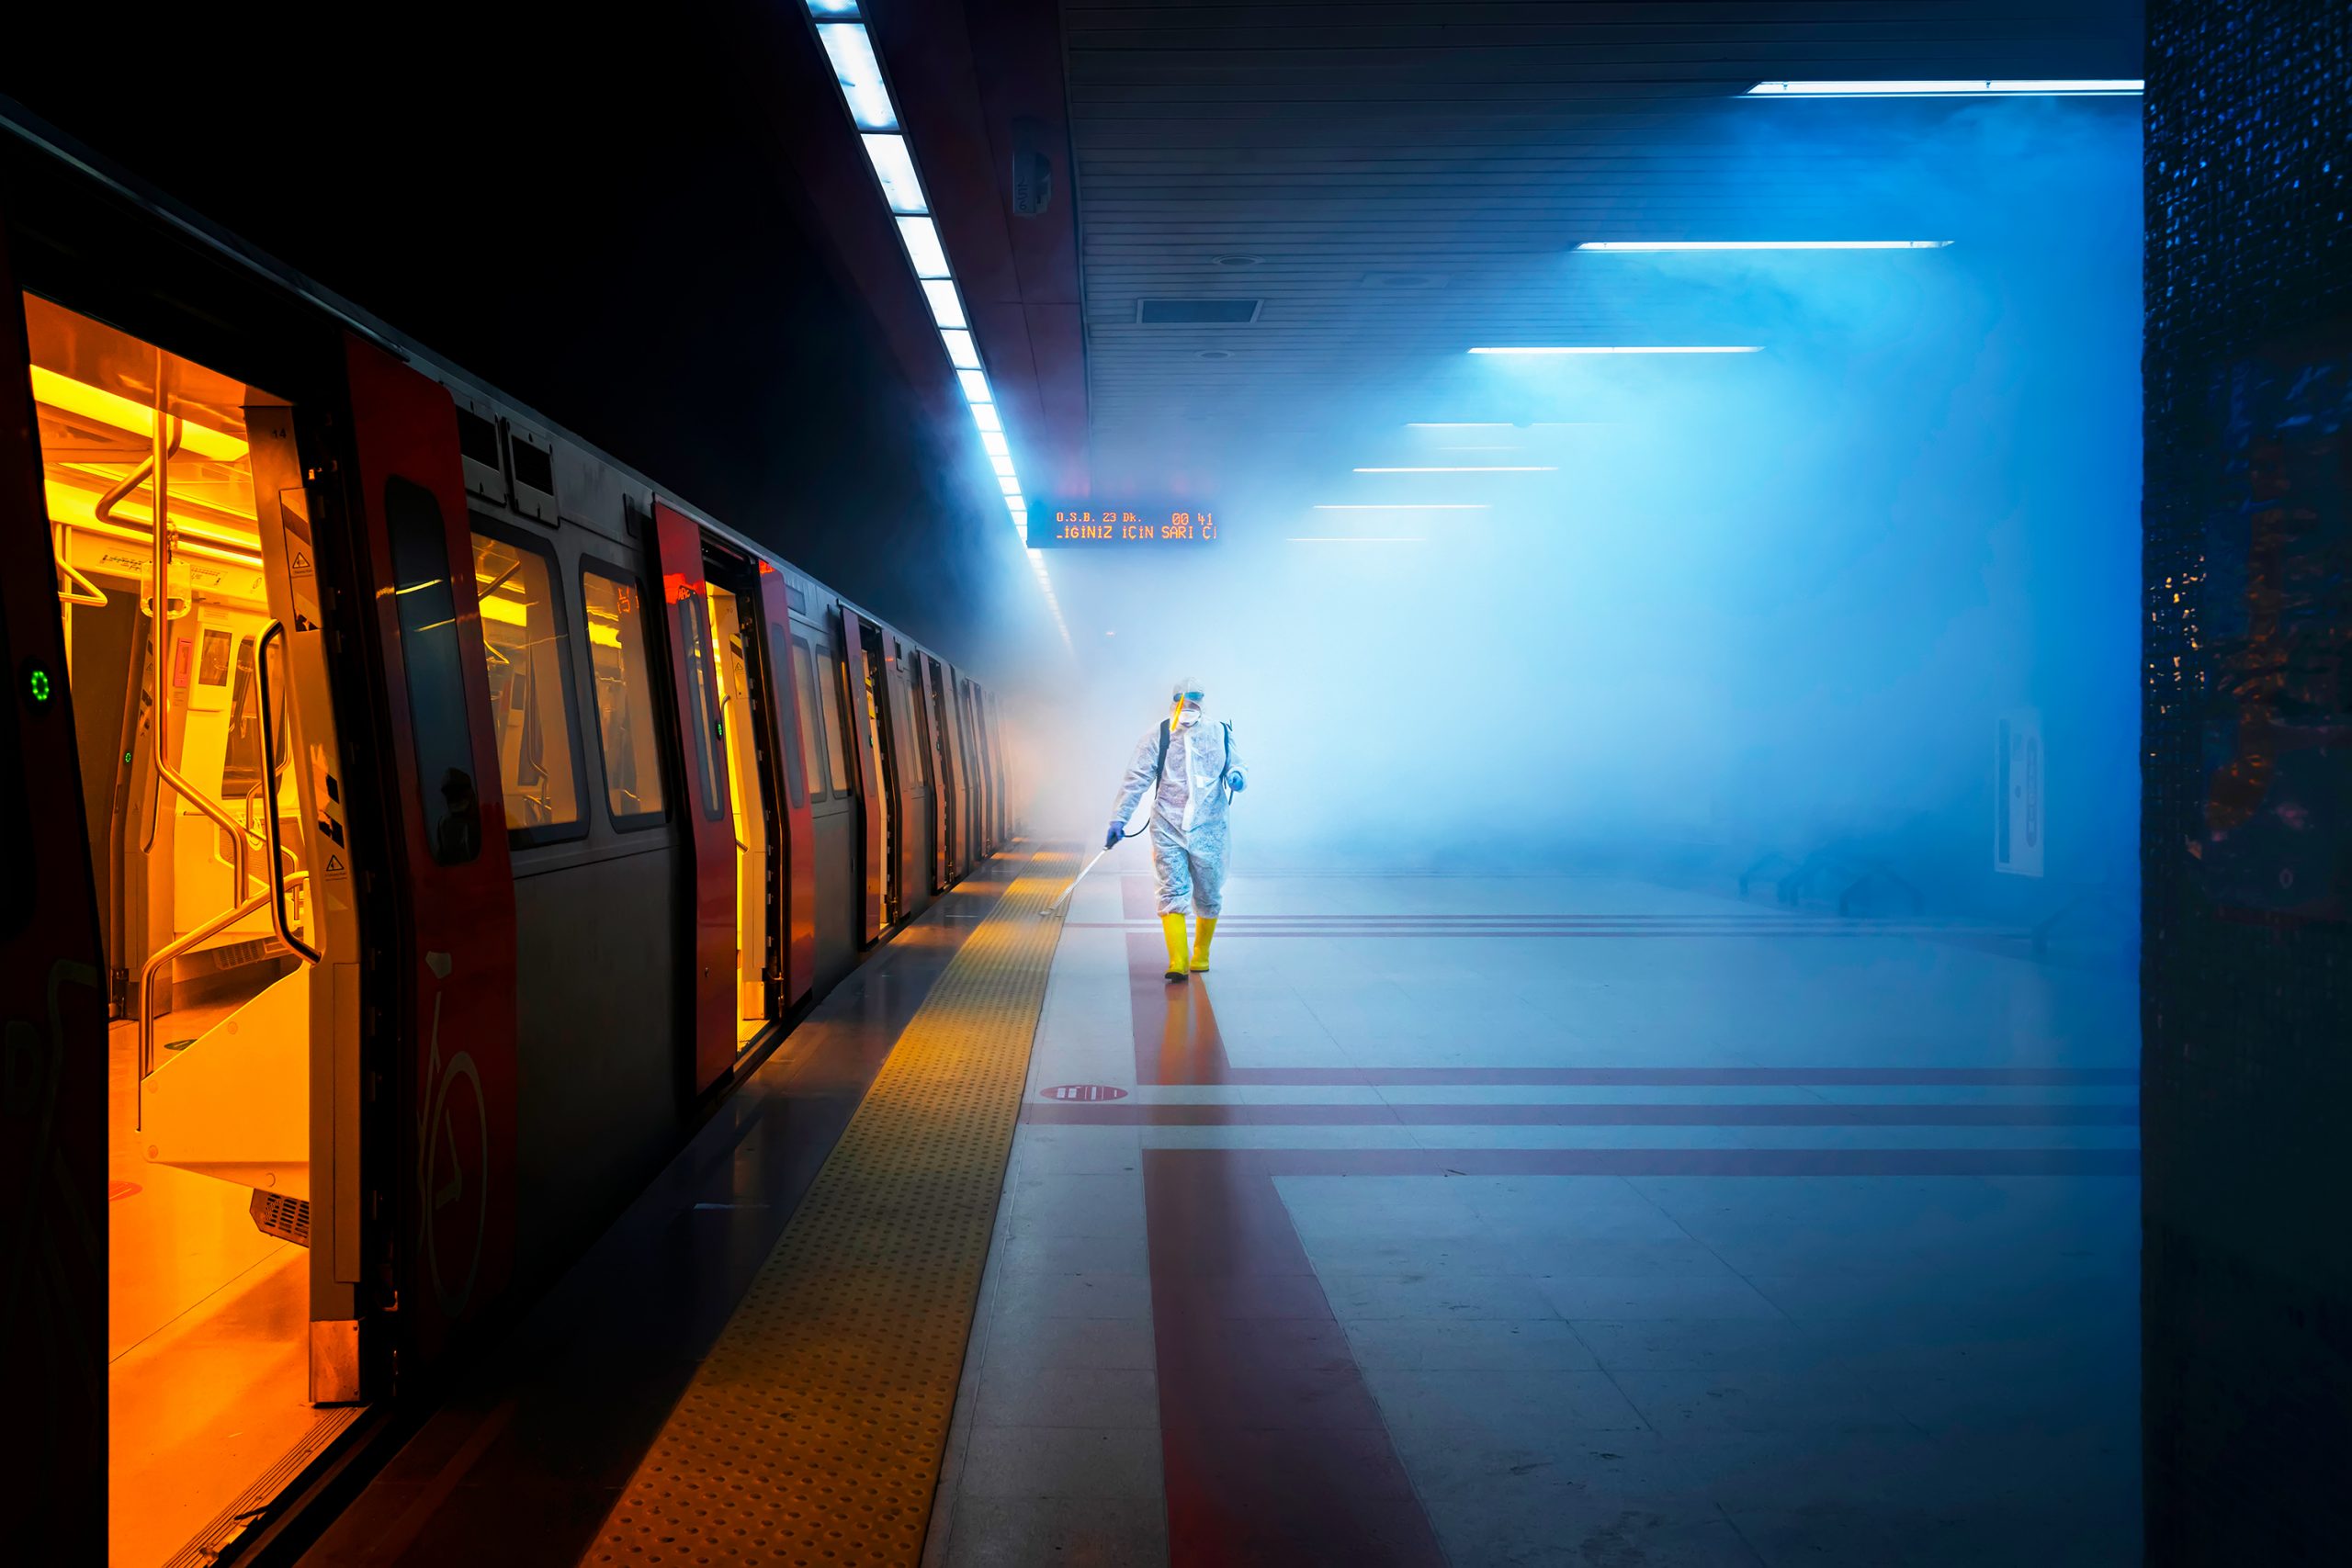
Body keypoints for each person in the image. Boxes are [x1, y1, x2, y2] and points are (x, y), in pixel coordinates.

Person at [1105, 679, 1246, 980]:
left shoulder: (1219, 731)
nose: (1188, 708)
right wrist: (1119, 818)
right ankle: (1178, 961)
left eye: (1194, 702)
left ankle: (1202, 953)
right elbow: (1136, 778)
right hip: (1167, 825)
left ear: (1202, 703)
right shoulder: (1157, 735)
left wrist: (1236, 776)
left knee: (1209, 891)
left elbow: (1236, 764)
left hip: (1210, 826)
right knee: (1172, 889)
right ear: (1173, 701)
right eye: (1183, 701)